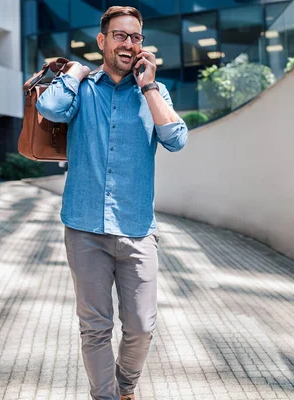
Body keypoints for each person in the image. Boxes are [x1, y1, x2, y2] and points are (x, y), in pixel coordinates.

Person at [36, 5, 188, 400]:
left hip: (137, 228)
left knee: (140, 325)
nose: (128, 43)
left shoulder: (154, 91)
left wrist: (149, 87)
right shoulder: (83, 88)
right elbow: (49, 108)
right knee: (95, 326)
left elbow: (176, 139)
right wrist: (74, 72)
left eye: (135, 37)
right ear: (102, 41)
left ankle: (125, 387)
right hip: (85, 226)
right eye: (120, 35)